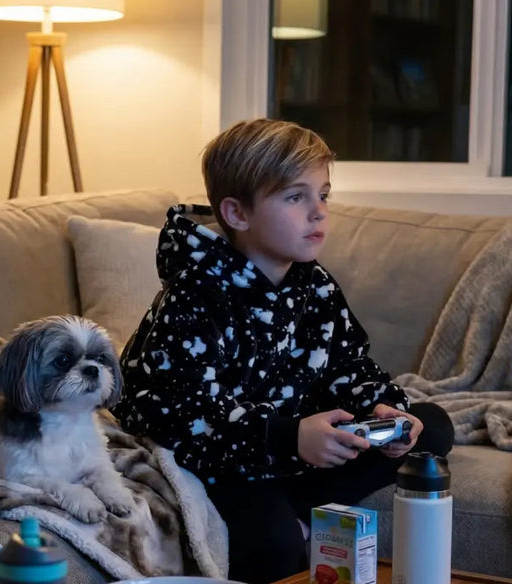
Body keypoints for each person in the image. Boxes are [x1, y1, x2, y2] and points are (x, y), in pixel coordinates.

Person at [111, 118, 454, 583]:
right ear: (237, 214)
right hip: (221, 457)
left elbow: (347, 364)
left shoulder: (315, 284)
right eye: (296, 197)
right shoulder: (196, 295)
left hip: (292, 445)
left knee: (431, 430)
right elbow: (181, 416)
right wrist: (287, 436)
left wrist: (383, 407)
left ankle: (298, 504)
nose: (319, 212)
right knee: (274, 545)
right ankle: (289, 516)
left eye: (324, 195)